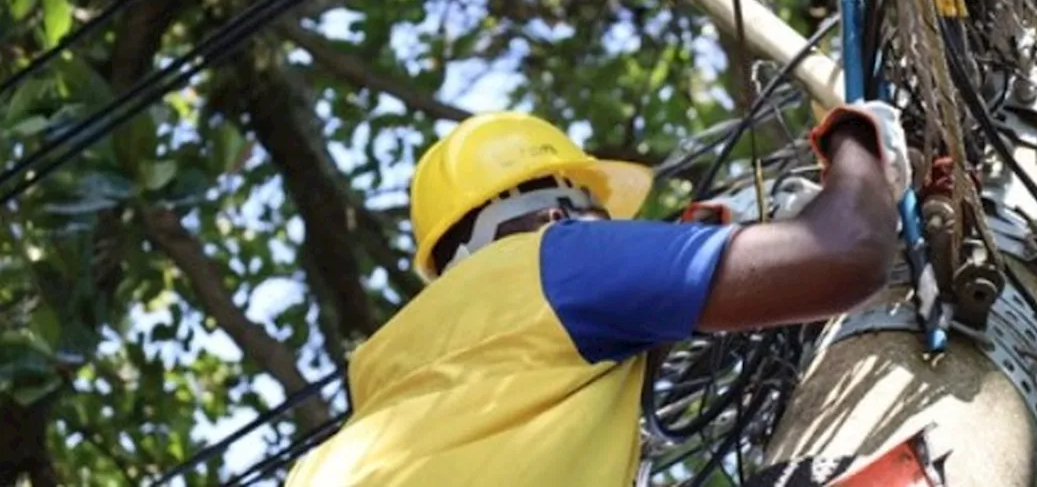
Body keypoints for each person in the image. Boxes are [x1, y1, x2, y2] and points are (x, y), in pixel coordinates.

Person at [284, 101, 910, 487]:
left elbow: (593, 354)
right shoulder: (554, 260)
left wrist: (697, 244)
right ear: (558, 211)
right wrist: (856, 140)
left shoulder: (415, 372)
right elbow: (844, 253)